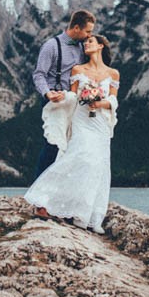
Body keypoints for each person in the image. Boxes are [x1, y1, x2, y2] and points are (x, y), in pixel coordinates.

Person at [25, 34, 120, 234]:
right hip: (82, 119)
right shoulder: (78, 70)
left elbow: (114, 100)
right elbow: (74, 94)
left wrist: (99, 102)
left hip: (101, 122)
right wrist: (62, 96)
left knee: (99, 164)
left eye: (90, 42)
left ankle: (89, 216)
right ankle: (45, 198)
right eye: (85, 42)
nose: (86, 44)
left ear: (101, 46)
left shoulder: (113, 73)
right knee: (80, 156)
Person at [32, 9, 96, 178]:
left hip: (77, 102)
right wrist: (47, 94)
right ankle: (38, 193)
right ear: (76, 28)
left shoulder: (84, 46)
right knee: (53, 145)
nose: (90, 35)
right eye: (88, 31)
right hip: (57, 101)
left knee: (73, 145)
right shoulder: (51, 46)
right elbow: (39, 74)